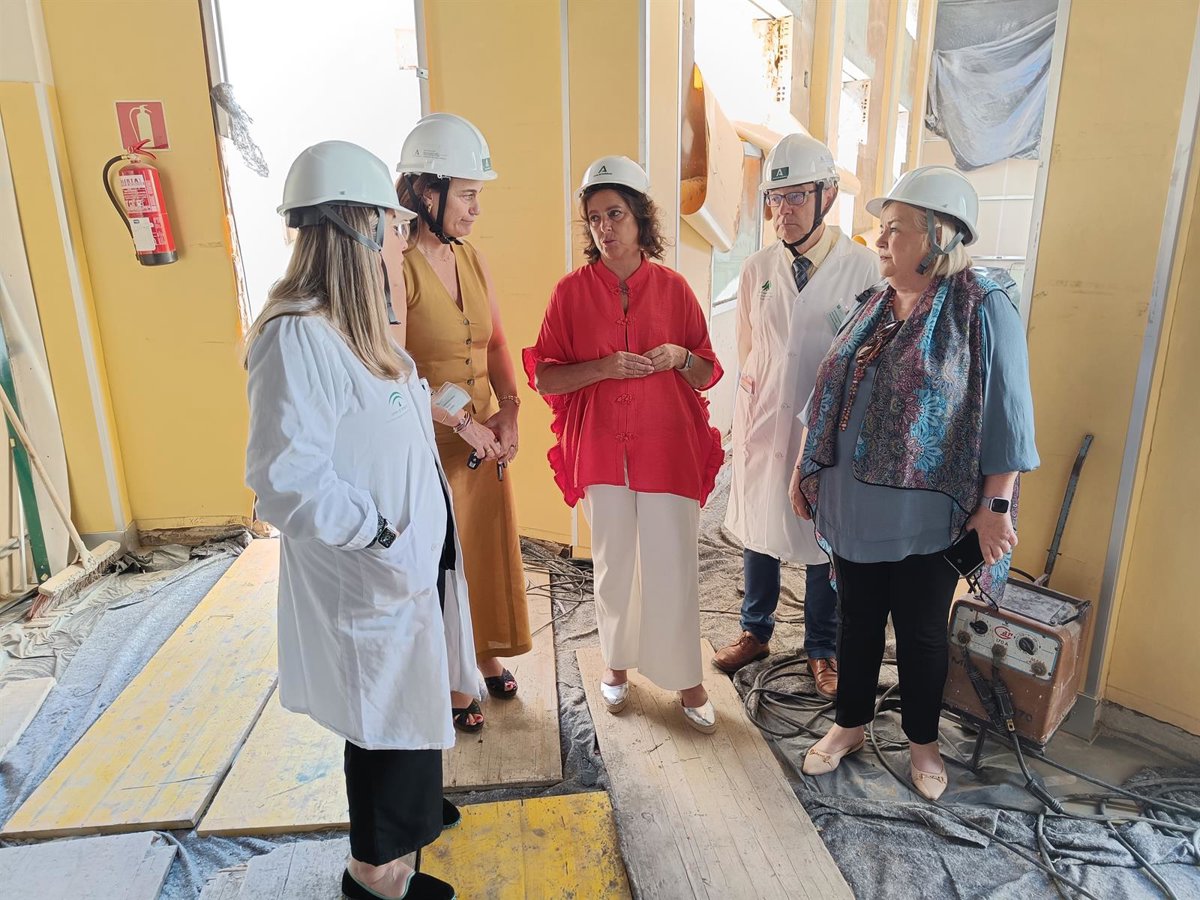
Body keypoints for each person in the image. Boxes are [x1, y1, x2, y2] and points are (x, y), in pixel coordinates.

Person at [245, 141, 474, 900]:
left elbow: (390, 414)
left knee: (409, 696)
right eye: (393, 223)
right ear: (360, 228)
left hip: (404, 556)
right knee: (381, 714)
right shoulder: (296, 335)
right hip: (370, 564)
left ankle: (411, 825)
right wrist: (377, 533)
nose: (401, 238)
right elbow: (284, 480)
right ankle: (374, 874)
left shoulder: (357, 324)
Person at [790, 165, 1039, 800]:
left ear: (940, 236)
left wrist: (996, 504)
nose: (880, 239)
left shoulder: (982, 305)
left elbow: (1008, 411)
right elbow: (828, 394)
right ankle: (849, 725)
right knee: (857, 620)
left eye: (895, 228)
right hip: (852, 503)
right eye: (882, 226)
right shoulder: (874, 304)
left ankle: (923, 743)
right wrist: (804, 467)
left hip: (928, 515)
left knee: (922, 630)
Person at [524, 156, 725, 734]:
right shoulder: (569, 293)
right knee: (613, 564)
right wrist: (604, 367)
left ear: (640, 217)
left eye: (614, 214)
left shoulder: (675, 289)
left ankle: (687, 679)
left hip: (668, 446)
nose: (604, 228)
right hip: (601, 449)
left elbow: (706, 371)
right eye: (593, 218)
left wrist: (679, 356)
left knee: (672, 563)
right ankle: (615, 664)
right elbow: (547, 377)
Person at [713, 133, 880, 702]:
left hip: (825, 431)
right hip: (765, 421)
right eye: (775, 198)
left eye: (796, 196)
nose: (783, 210)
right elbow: (750, 349)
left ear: (827, 195)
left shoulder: (863, 270)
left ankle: (822, 647)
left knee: (820, 536)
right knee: (761, 524)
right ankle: (755, 631)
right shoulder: (757, 268)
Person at [391, 113, 532, 733]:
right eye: (468, 195)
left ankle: (484, 650)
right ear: (429, 191)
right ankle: (451, 675)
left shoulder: (471, 259)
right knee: (445, 555)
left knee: (485, 547)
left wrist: (510, 409)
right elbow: (391, 369)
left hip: (482, 439)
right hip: (430, 441)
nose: (476, 209)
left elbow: (497, 343)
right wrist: (463, 425)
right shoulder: (395, 264)